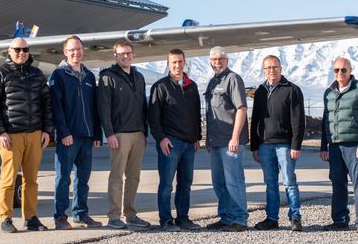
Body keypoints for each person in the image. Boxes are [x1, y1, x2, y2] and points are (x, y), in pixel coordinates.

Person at [0, 37, 54, 233]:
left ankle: (31, 218)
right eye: (17, 49)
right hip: (11, 136)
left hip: (34, 135)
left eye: (25, 49)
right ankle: (6, 218)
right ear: (9, 50)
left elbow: (47, 104)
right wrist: (0, 131)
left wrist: (48, 130)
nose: (21, 53)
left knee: (31, 180)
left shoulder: (37, 74)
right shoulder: (0, 73)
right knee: (8, 179)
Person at [49, 35, 103, 230]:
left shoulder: (89, 76)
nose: (76, 53)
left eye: (78, 49)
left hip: (87, 136)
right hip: (68, 137)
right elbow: (56, 107)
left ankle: (80, 214)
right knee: (63, 178)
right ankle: (60, 217)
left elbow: (94, 107)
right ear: (65, 52)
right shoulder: (58, 75)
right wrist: (63, 132)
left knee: (83, 178)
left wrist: (97, 133)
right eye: (71, 50)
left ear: (83, 51)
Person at [97, 41, 151, 230]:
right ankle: (113, 216)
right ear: (115, 56)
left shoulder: (139, 76)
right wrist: (109, 133)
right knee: (117, 177)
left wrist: (144, 132)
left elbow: (143, 108)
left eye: (128, 53)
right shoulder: (108, 77)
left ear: (132, 55)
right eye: (122, 54)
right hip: (119, 135)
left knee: (134, 177)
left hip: (138, 133)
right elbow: (103, 108)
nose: (125, 56)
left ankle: (131, 214)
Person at [250, 55, 305, 231]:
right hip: (265, 145)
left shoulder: (292, 90)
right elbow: (256, 120)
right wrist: (255, 146)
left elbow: (298, 120)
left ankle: (295, 217)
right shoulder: (259, 91)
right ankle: (272, 218)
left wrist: (296, 145)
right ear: (264, 70)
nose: (271, 71)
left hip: (285, 145)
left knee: (289, 181)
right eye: (268, 68)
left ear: (281, 69)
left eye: (274, 67)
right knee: (270, 183)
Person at [148, 48, 202, 230]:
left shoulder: (192, 86)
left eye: (180, 61)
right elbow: (153, 117)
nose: (177, 65)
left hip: (189, 144)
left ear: (184, 62)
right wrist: (161, 138)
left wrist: (197, 138)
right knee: (166, 184)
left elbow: (196, 114)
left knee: (185, 184)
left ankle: (183, 218)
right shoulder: (160, 86)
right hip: (170, 143)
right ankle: (165, 220)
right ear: (168, 64)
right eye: (174, 62)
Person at [320, 57, 358, 234]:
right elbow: (326, 120)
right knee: (337, 183)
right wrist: (323, 146)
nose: (340, 73)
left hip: (354, 145)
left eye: (343, 70)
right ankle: (340, 220)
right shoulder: (328, 92)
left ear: (350, 70)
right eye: (336, 70)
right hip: (334, 146)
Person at [204, 46, 249, 232]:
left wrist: (235, 137)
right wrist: (207, 138)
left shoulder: (233, 79)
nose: (217, 62)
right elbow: (210, 112)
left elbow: (241, 109)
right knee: (219, 182)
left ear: (227, 60)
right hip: (215, 141)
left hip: (230, 142)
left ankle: (240, 219)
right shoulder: (212, 83)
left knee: (234, 181)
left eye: (221, 59)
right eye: (214, 59)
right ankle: (226, 216)